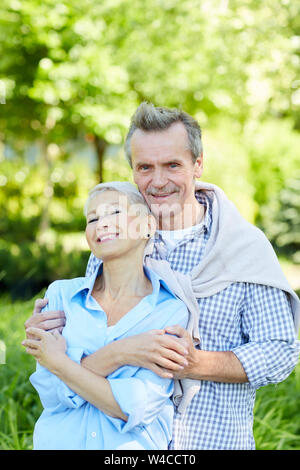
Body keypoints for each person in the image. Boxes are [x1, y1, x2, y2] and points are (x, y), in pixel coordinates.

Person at [25, 103, 300, 450]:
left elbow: (280, 352)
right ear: (132, 170)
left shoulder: (243, 248)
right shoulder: (117, 238)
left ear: (198, 165)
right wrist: (47, 333)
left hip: (208, 441)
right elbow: (89, 338)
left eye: (172, 165)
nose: (157, 181)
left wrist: (196, 362)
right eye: (145, 167)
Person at [22, 181, 190, 450]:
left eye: (115, 213)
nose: (101, 224)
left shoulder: (170, 310)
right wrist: (123, 352)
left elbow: (134, 408)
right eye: (92, 218)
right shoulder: (61, 296)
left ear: (148, 226)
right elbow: (52, 394)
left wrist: (60, 364)